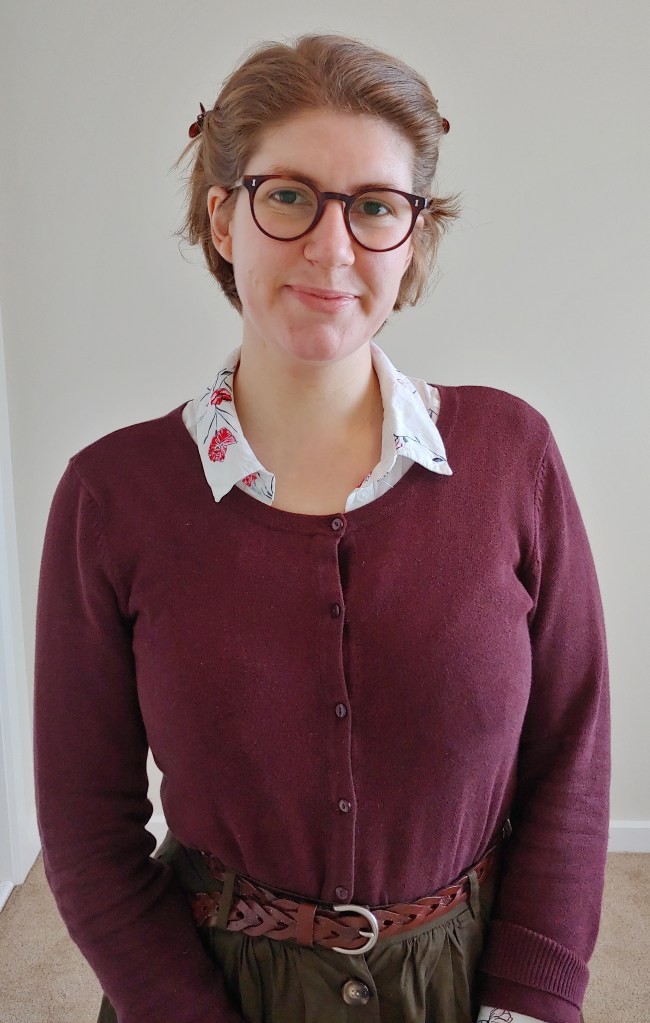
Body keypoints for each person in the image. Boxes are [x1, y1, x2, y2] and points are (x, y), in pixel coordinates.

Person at [33, 32, 610, 1023]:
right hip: (210, 988)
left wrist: (529, 1000)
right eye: (290, 195)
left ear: (413, 236)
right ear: (224, 217)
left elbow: (572, 751)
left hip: (464, 980)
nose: (332, 248)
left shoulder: (513, 455)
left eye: (375, 206)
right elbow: (86, 830)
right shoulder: (110, 496)